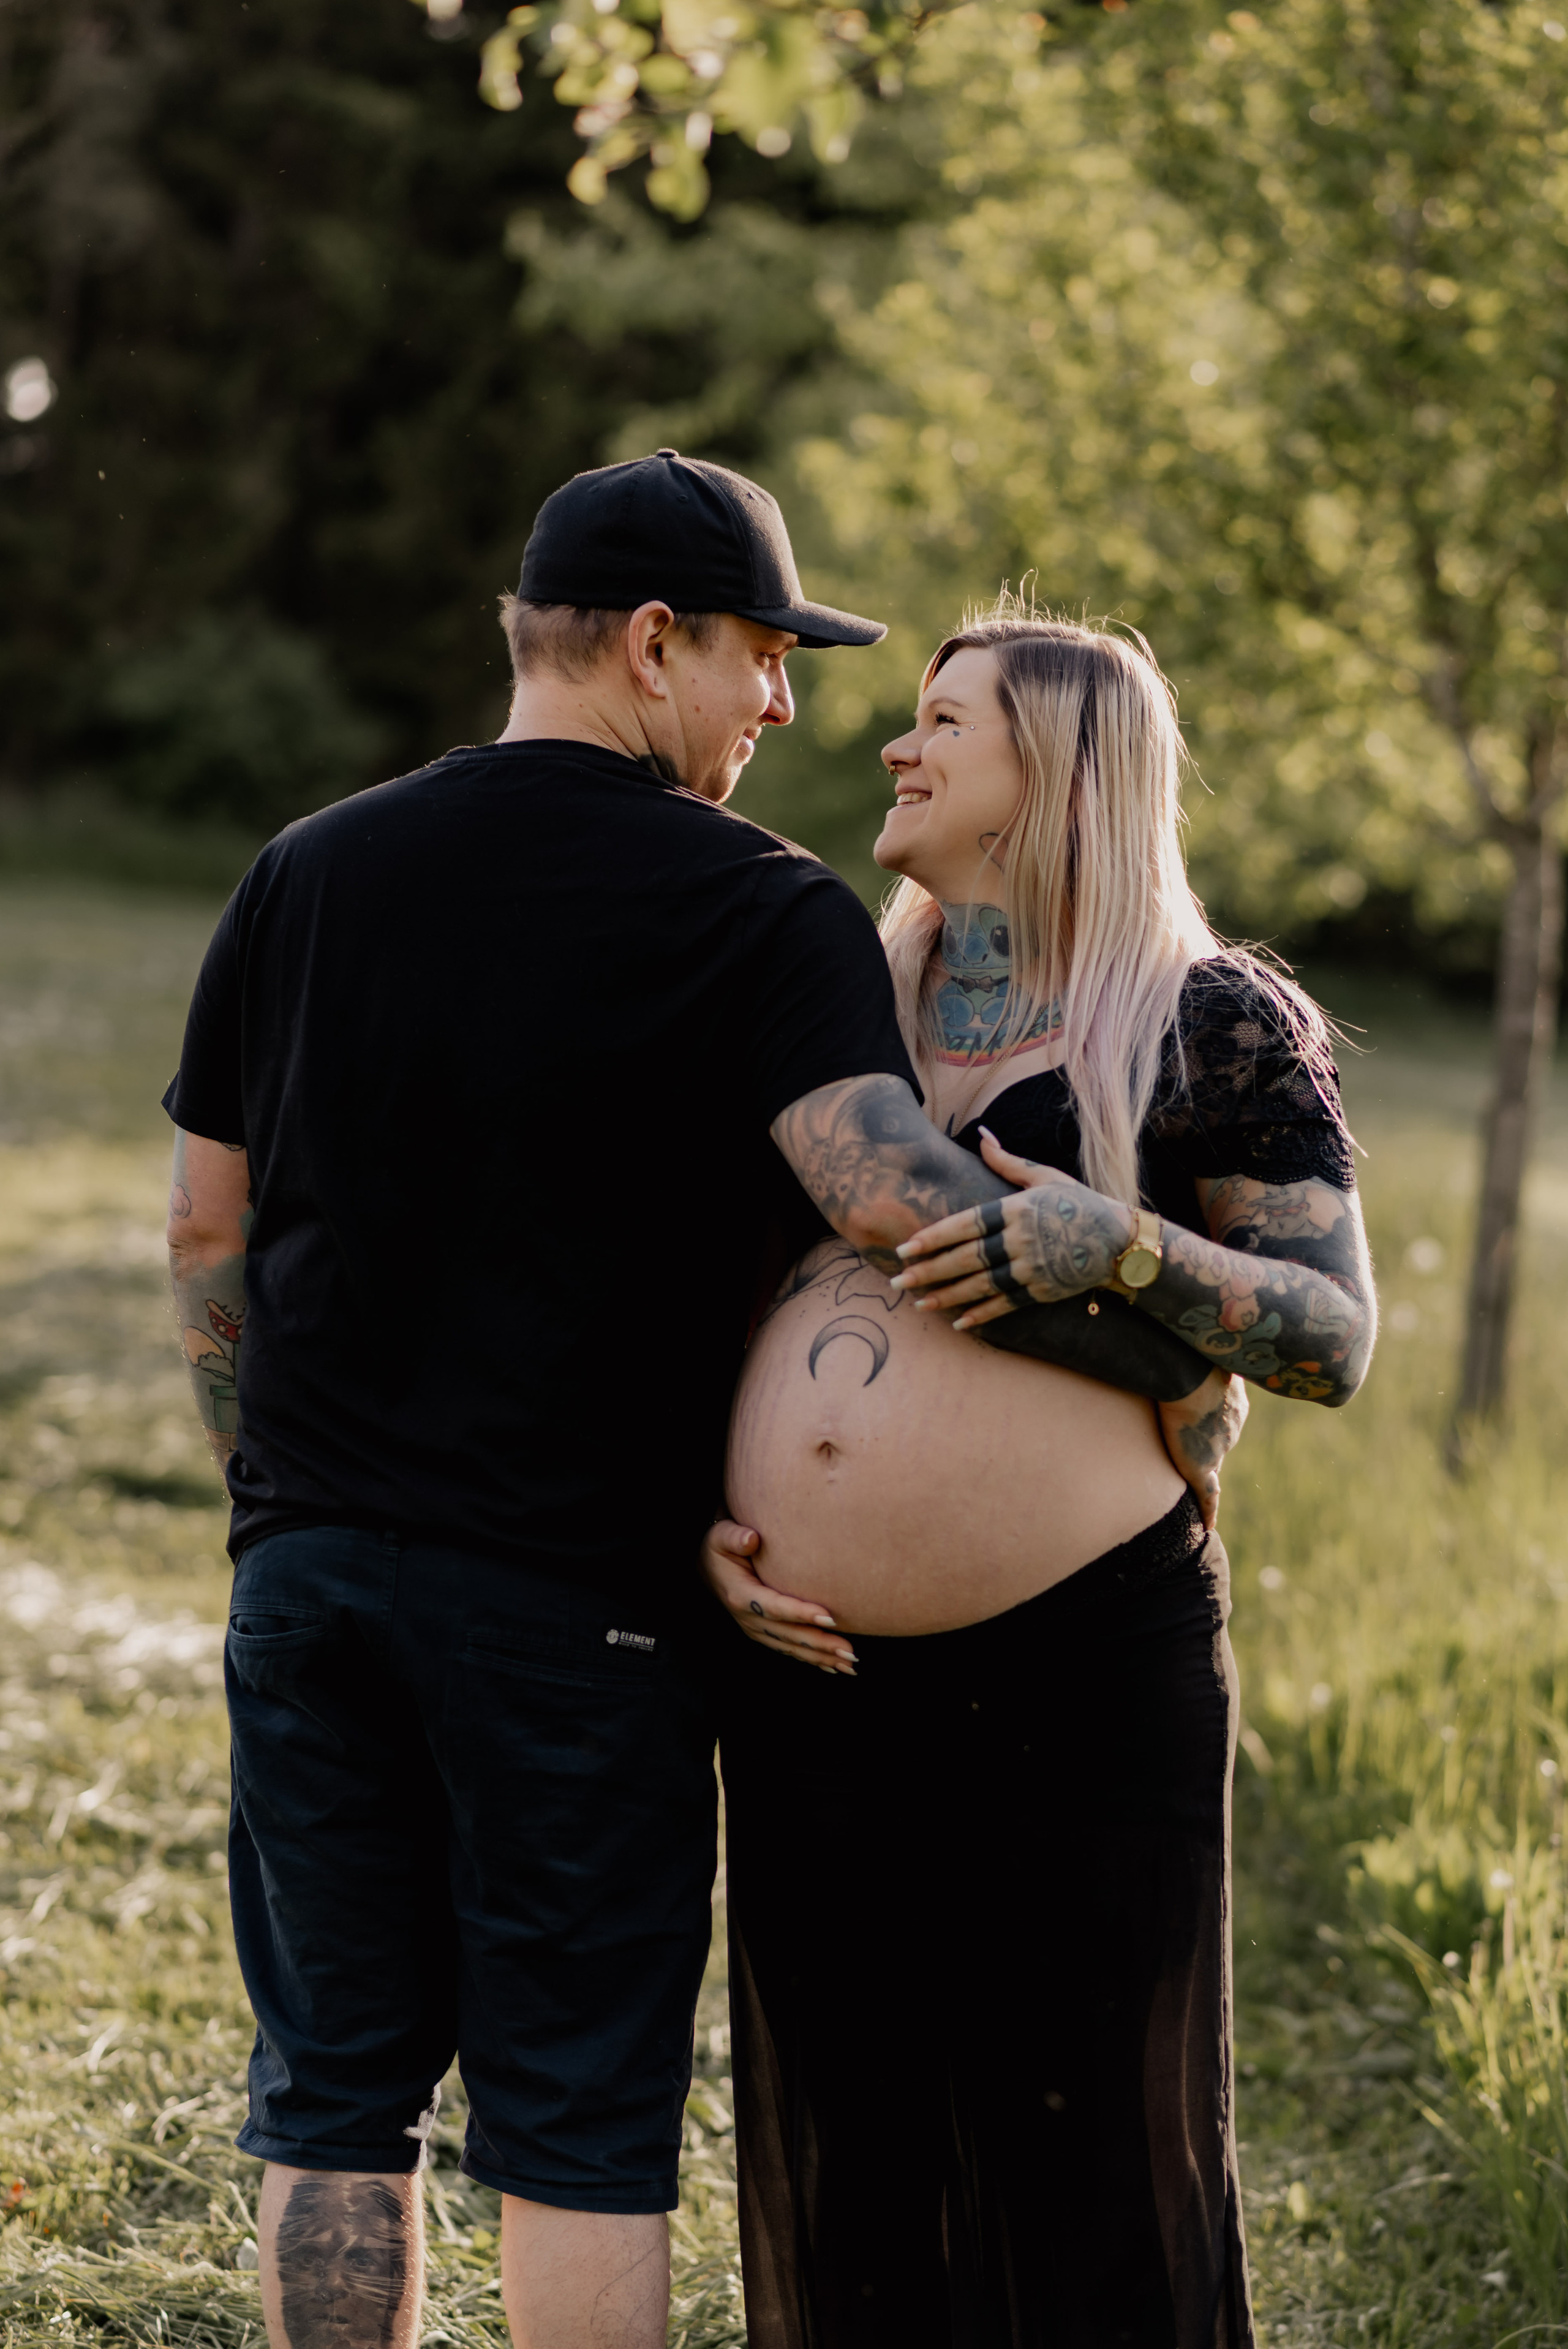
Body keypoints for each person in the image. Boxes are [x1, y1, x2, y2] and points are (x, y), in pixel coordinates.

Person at [163, 465, 1224, 2349]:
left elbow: (205, 1223)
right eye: (763, 658)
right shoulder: (751, 904)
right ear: (656, 645)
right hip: (579, 1607)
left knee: (334, 2090)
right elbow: (890, 1192)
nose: (786, 708)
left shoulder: (306, 866)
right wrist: (1168, 1333)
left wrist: (271, 1479)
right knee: (576, 2119)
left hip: (306, 1582)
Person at [701, 606, 1376, 2349]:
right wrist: (692, 1521)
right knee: (855, 2147)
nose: (894, 745)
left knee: (1089, 2152)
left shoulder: (1208, 1018)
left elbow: (1331, 1338)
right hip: (813, 1677)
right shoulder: (840, 995)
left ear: (1055, 772)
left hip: (1087, 1666)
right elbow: (712, 1286)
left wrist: (1122, 1250)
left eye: (944, 719)